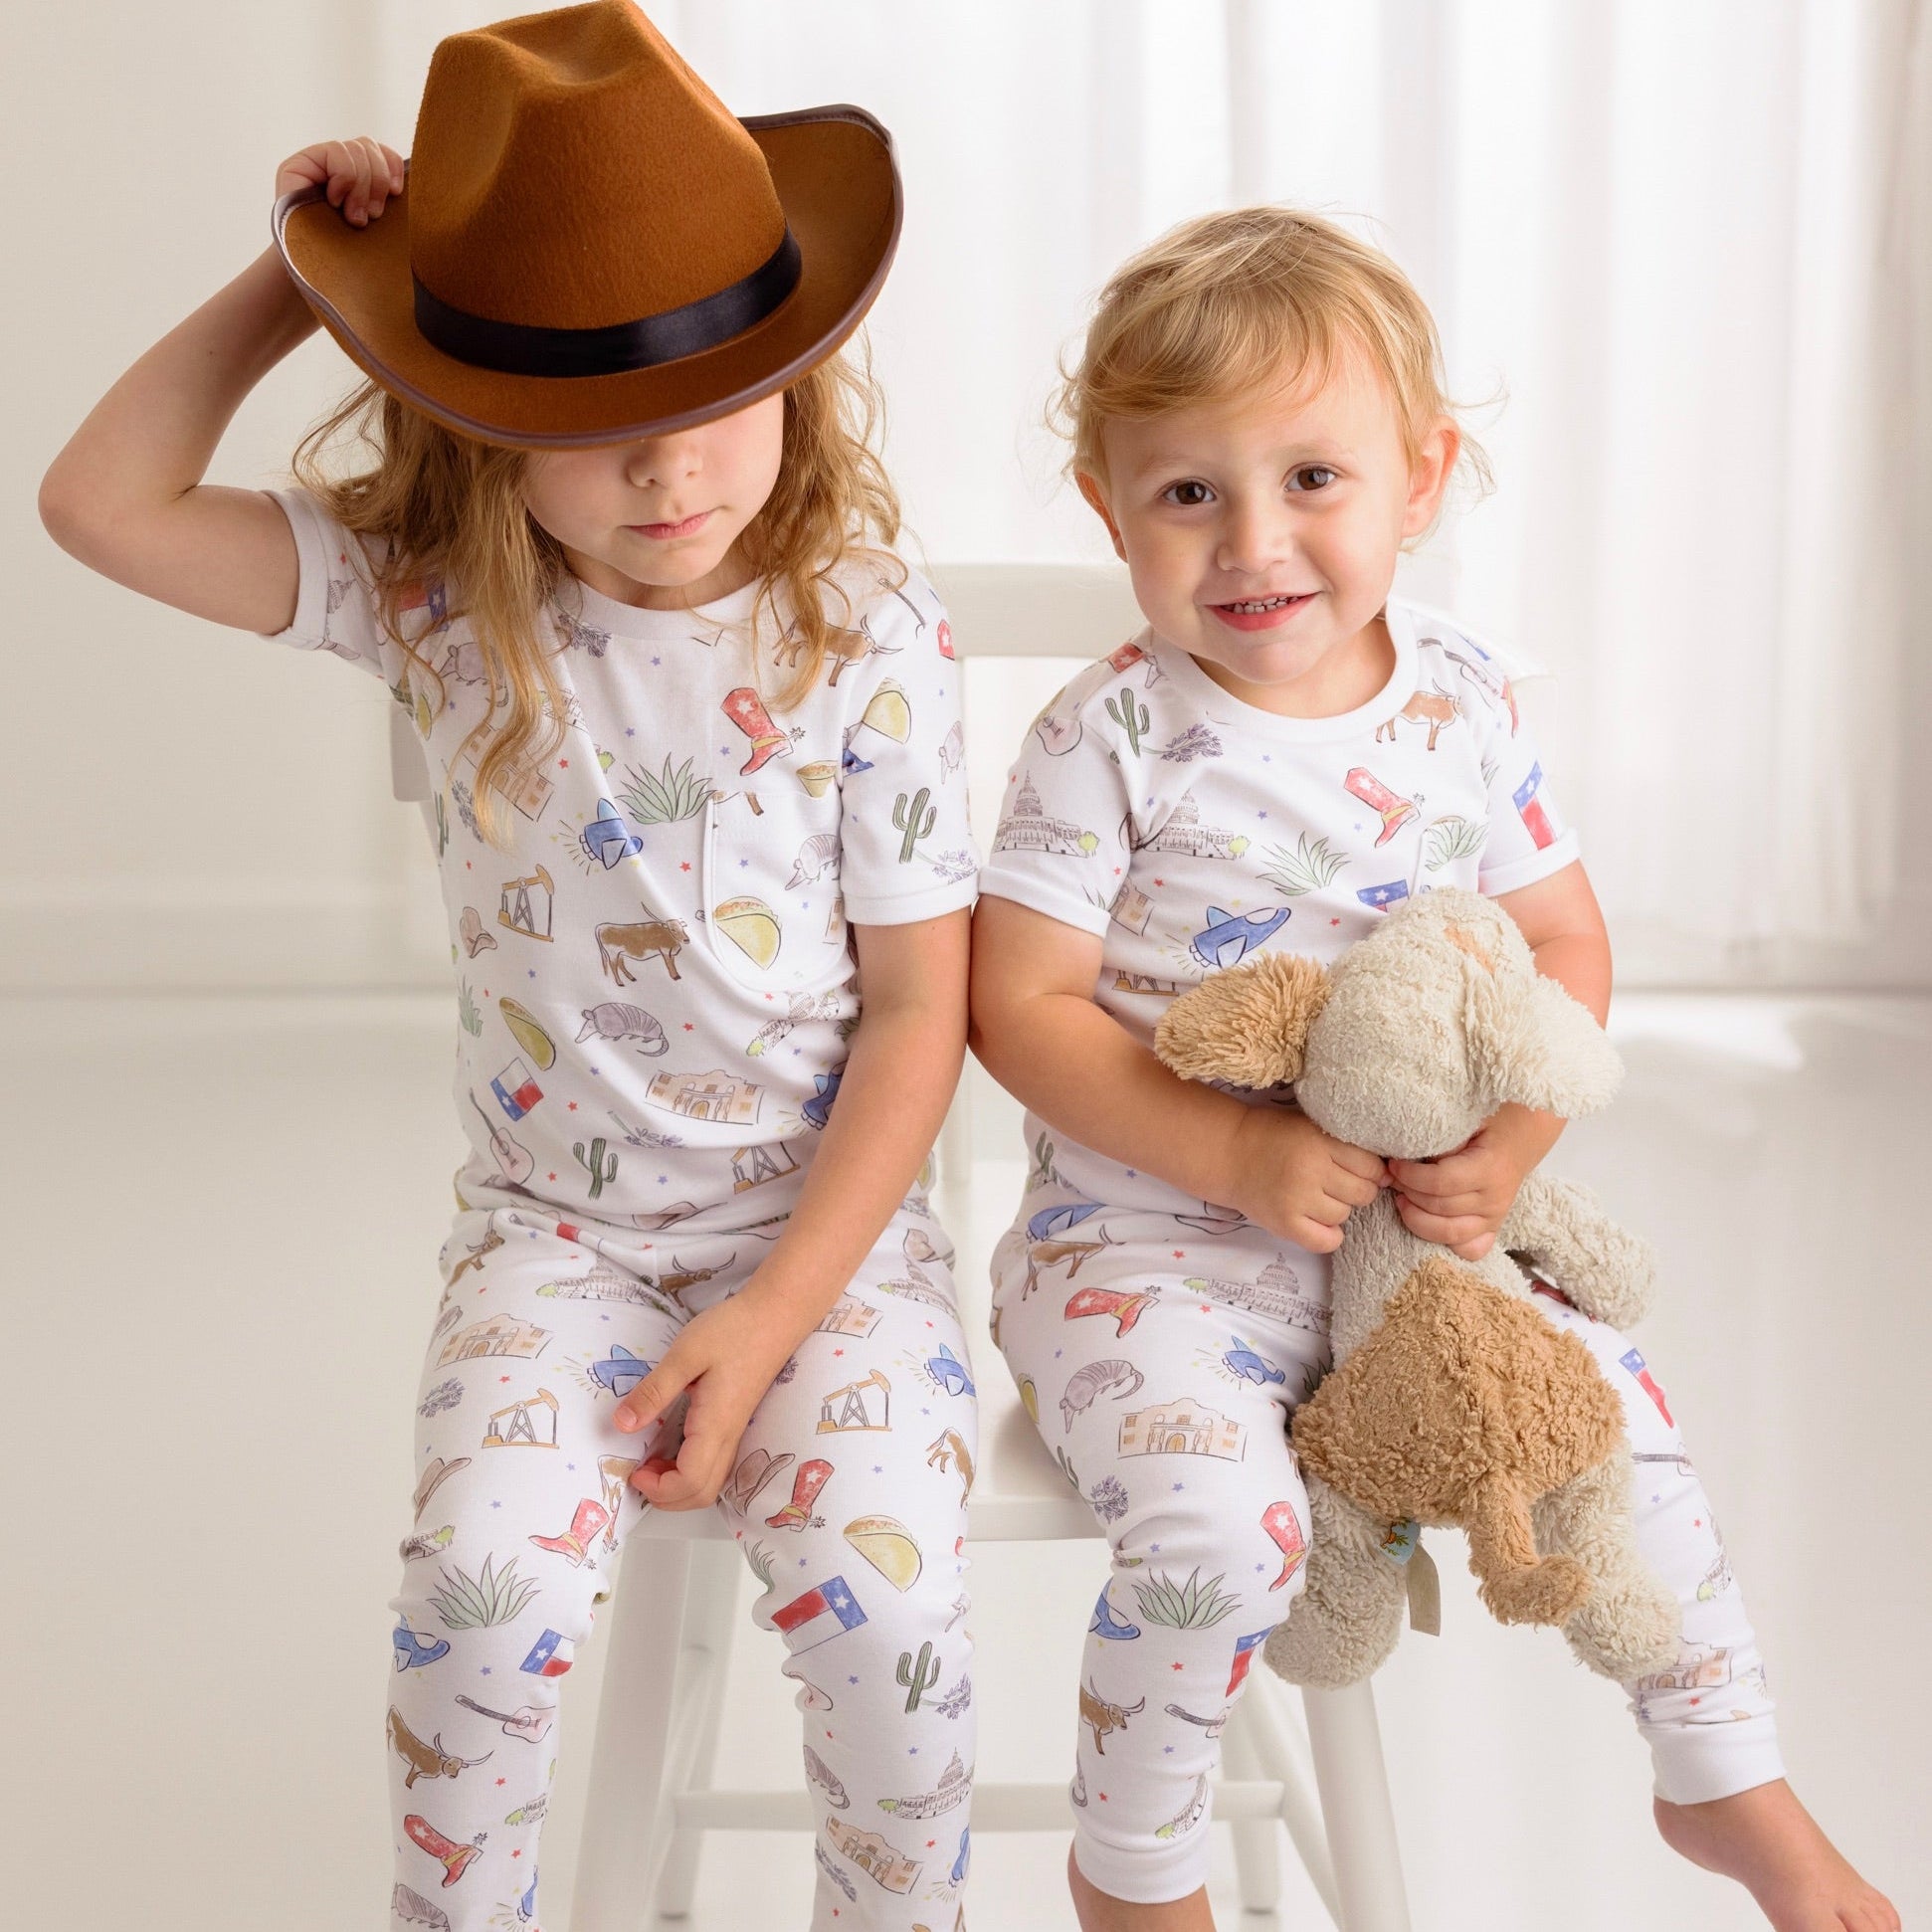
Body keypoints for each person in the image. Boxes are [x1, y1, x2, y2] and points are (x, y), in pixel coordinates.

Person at [39, 7, 978, 1928]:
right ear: (476, 418)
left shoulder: (869, 632)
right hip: (557, 1242)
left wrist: (775, 1311)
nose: (668, 468)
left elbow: (916, 1011)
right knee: (480, 1617)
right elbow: (96, 504)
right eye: (592, 428)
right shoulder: (436, 602)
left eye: (718, 395)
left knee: (888, 1624)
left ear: (797, 373)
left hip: (831, 1237)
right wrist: (303, 283)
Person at [967, 206, 1896, 1932]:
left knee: (1617, 1428)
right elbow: (1016, 1005)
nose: (1253, 541)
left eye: (1312, 477)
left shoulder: (1461, 697)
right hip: (1143, 1255)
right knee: (1217, 1532)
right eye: (1188, 493)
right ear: (1109, 509)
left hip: (1413, 1247)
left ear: (1420, 479)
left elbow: (1563, 945)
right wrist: (1230, 1156)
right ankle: (1135, 1864)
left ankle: (1723, 1774)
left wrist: (1511, 1146)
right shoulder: (1107, 735)